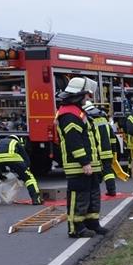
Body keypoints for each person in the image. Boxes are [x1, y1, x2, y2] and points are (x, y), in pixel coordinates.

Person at [55, 77, 107, 238]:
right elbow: (74, 142)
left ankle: (92, 223)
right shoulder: (69, 114)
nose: (88, 98)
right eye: (86, 95)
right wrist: (84, 162)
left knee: (92, 195)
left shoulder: (76, 111)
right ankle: (76, 228)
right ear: (79, 95)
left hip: (89, 163)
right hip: (78, 165)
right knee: (79, 196)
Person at [0, 134, 42, 206]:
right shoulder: (16, 142)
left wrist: (0, 176)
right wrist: (24, 172)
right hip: (12, 158)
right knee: (29, 178)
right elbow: (26, 158)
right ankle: (36, 200)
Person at [83, 99, 116, 196]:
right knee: (108, 171)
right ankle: (112, 190)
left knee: (95, 171)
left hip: (96, 151)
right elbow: (112, 136)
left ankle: (95, 192)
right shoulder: (104, 118)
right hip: (107, 149)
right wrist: (113, 150)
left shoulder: (89, 120)